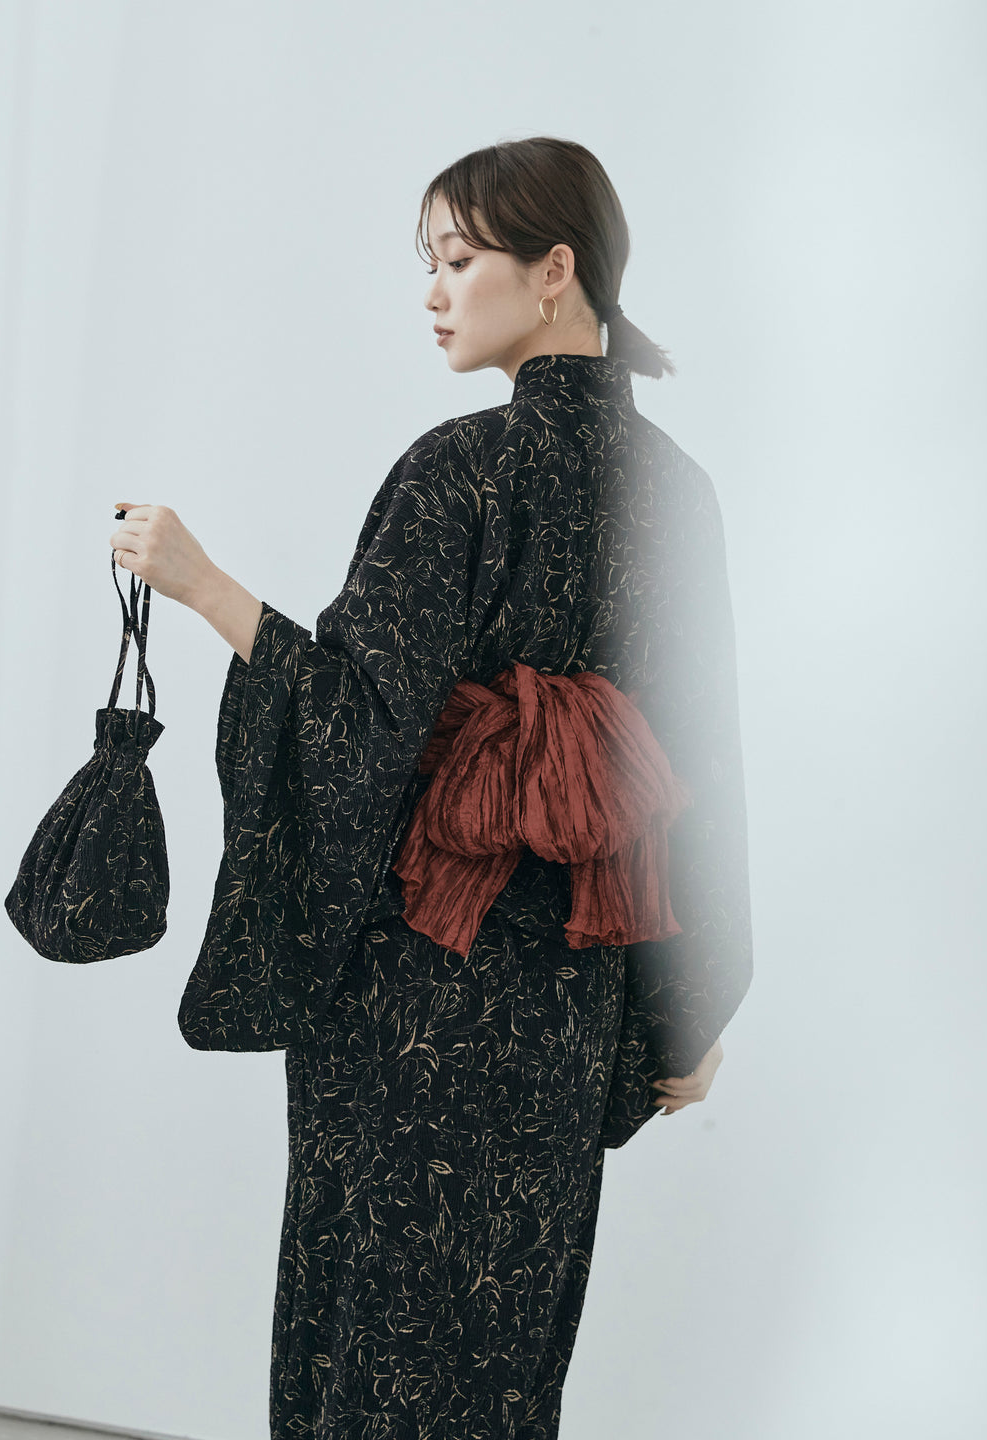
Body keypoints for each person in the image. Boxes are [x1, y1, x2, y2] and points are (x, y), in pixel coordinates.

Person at [108, 136, 752, 1440]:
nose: (434, 293)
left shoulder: (460, 467)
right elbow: (700, 776)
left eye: (458, 260)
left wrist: (201, 583)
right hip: (568, 997)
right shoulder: (681, 492)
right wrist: (683, 1013)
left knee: (372, 1327)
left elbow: (355, 726)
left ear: (555, 269)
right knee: (504, 1347)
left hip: (415, 983)